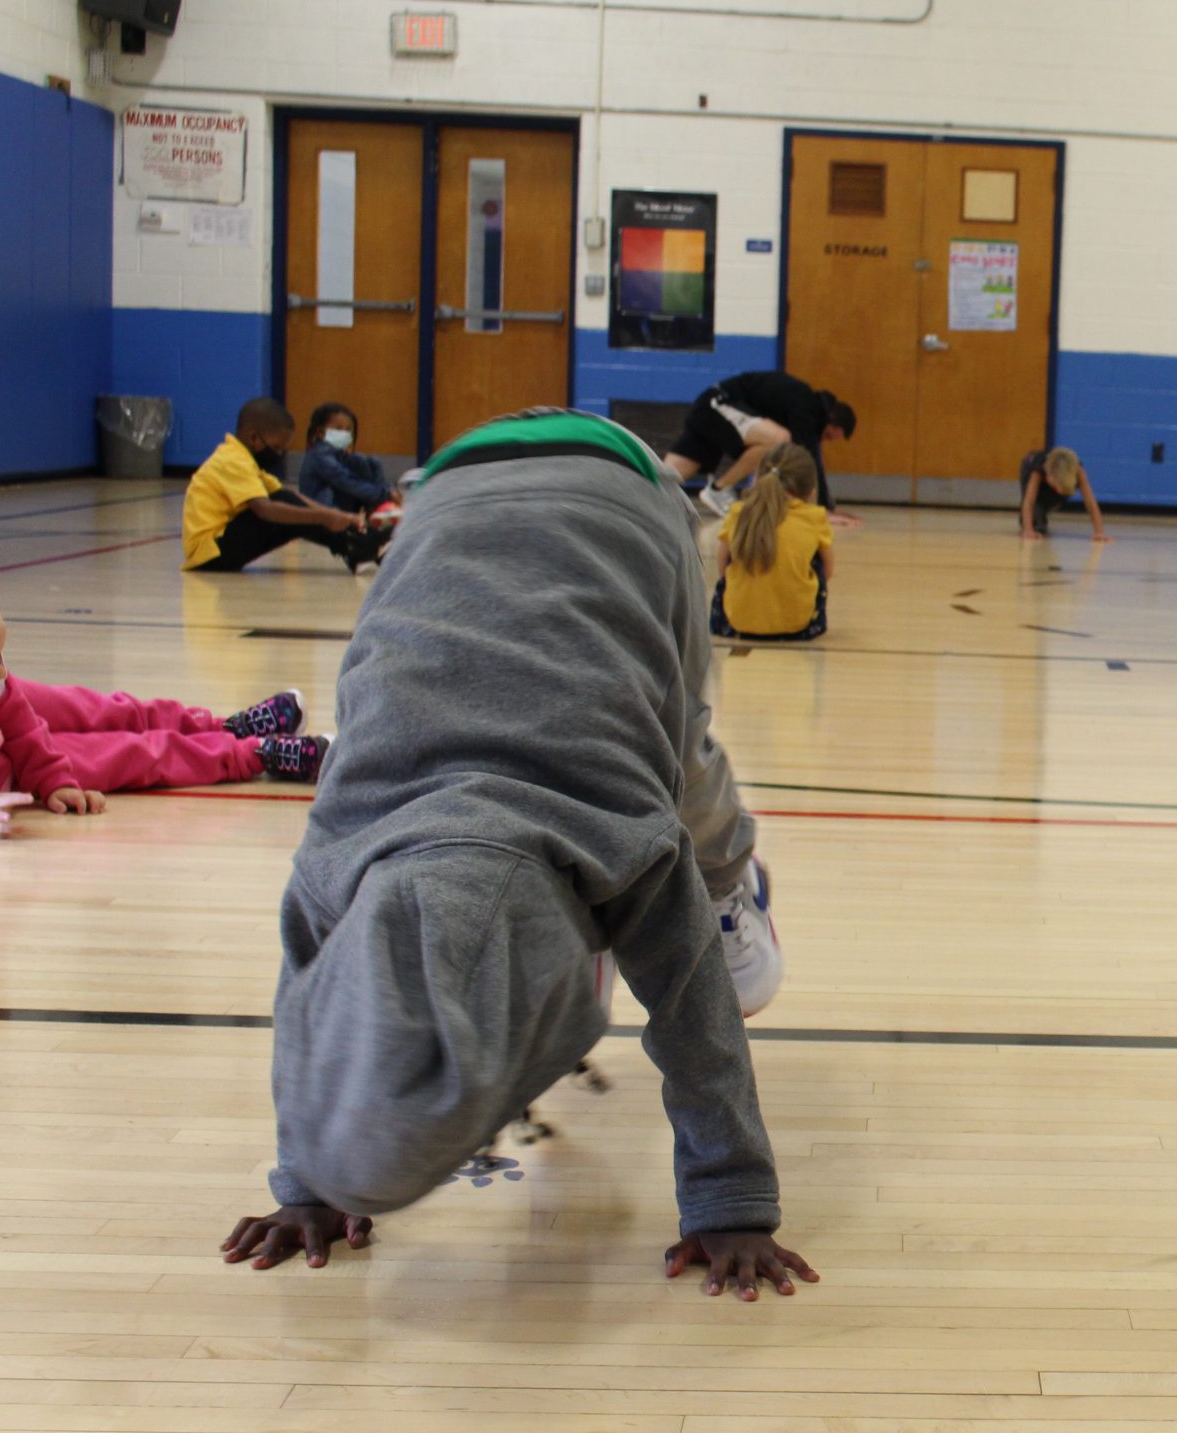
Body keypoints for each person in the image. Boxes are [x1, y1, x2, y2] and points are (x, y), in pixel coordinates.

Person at [218, 408, 814, 1301]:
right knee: (659, 787)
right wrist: (311, 1183)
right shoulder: (340, 845)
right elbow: (317, 999)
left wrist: (731, 1201)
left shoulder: (628, 833)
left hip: (625, 493)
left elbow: (698, 1020)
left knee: (682, 761)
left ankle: (736, 883)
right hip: (448, 482)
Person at [0, 588, 326, 819]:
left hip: (7, 735)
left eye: (0, 657)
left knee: (104, 709)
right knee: (133, 753)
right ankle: (254, 754)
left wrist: (52, 776)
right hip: (5, 774)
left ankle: (222, 727)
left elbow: (22, 726)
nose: (0, 672)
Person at [183, 398, 386, 574]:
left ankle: (356, 548)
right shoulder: (231, 461)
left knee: (290, 508)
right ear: (254, 438)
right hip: (211, 552)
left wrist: (339, 517)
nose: (279, 454)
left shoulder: (245, 459)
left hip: (219, 549)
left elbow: (285, 493)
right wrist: (325, 517)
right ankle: (359, 548)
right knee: (284, 507)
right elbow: (265, 509)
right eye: (278, 448)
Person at [659, 370, 857, 518]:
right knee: (779, 439)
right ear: (830, 418)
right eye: (828, 436)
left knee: (660, 483)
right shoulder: (807, 407)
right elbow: (811, 460)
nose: (823, 441)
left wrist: (827, 507)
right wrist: (823, 510)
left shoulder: (802, 407)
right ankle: (719, 490)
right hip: (717, 405)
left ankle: (641, 499)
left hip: (711, 413)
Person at [714, 444, 833, 642]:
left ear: (757, 479)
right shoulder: (814, 517)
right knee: (814, 560)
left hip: (736, 622)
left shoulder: (737, 512)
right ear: (811, 490)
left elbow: (721, 565)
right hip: (798, 626)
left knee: (733, 561)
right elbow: (828, 570)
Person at [291, 402, 396, 522]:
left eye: (348, 430)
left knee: (367, 461)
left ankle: (376, 510)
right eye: (338, 429)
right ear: (321, 432)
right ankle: (380, 505)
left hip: (340, 508)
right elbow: (346, 481)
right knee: (357, 480)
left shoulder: (340, 454)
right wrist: (385, 494)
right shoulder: (319, 455)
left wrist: (387, 489)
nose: (344, 434)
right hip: (320, 511)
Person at [1017, 446, 1109, 542]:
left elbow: (1090, 502)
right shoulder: (1038, 469)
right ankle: (1037, 516)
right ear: (1047, 473)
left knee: (1052, 501)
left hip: (1055, 481)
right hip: (1030, 469)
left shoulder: (1078, 469)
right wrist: (1028, 529)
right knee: (1036, 516)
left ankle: (1042, 511)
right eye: (1055, 487)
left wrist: (1099, 533)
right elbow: (1029, 501)